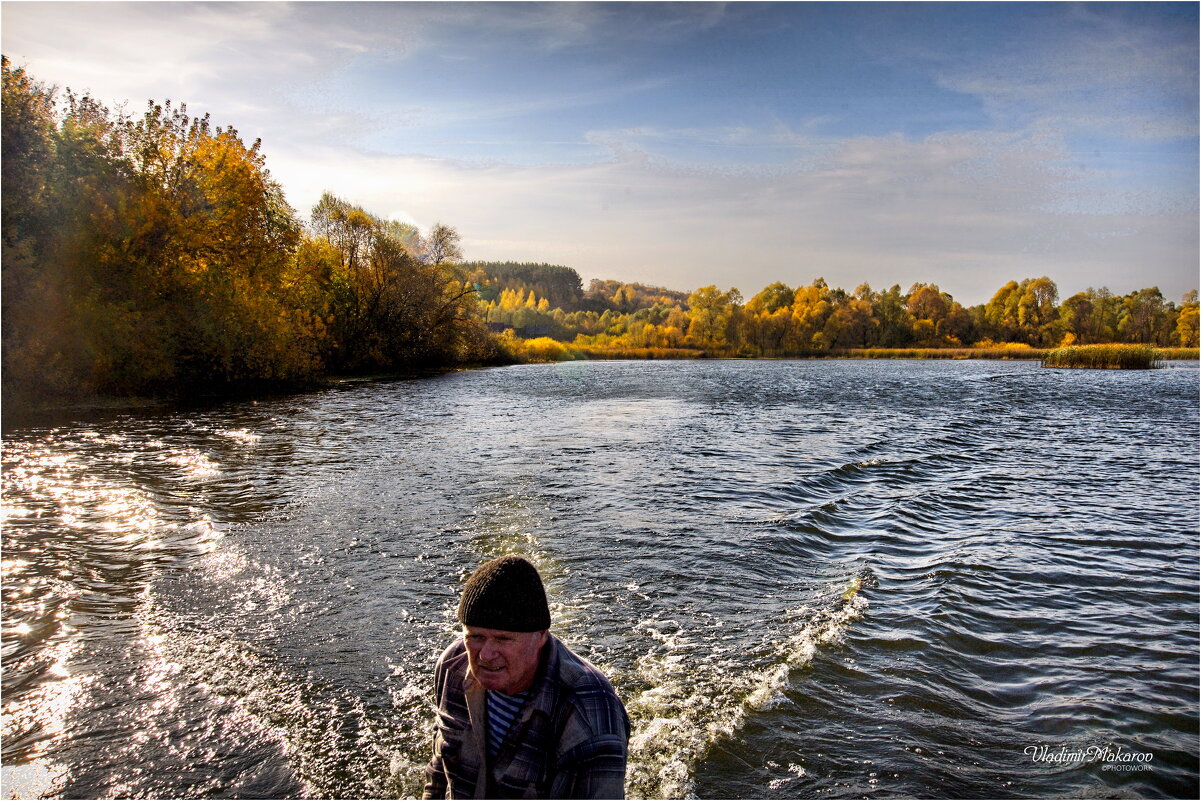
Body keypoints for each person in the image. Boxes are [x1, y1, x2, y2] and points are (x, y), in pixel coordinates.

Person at [423, 555, 630, 799]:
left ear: (541, 636)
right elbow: (439, 770)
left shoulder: (589, 713)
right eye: (476, 636)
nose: (486, 655)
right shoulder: (452, 666)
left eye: (503, 639)